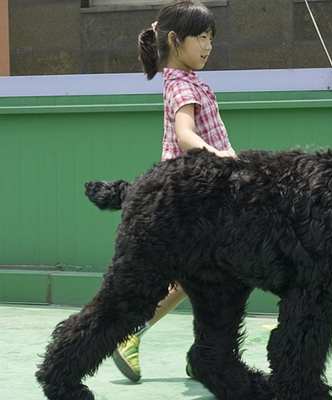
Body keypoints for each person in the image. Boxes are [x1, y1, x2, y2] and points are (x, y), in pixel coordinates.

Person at [112, 0, 235, 382]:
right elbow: (185, 136)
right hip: (190, 193)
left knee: (203, 273)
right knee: (199, 273)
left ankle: (202, 353)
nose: (208, 45)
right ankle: (131, 332)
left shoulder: (186, 80)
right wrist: (223, 157)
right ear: (174, 40)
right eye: (200, 37)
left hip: (195, 189)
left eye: (211, 37)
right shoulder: (181, 84)